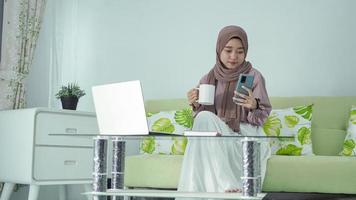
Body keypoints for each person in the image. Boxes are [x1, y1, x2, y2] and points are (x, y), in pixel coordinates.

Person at [177, 25, 272, 197]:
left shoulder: (254, 76)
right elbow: (203, 121)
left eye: (240, 51)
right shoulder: (208, 78)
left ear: (246, 52)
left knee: (204, 126)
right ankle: (226, 183)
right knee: (203, 119)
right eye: (228, 50)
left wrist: (255, 105)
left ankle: (224, 183)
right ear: (219, 49)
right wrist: (195, 104)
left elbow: (262, 117)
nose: (234, 56)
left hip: (245, 135)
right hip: (219, 137)